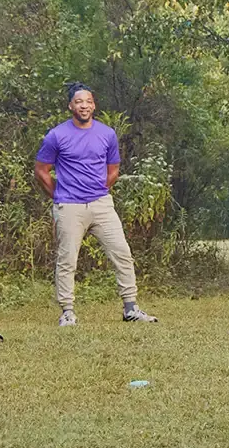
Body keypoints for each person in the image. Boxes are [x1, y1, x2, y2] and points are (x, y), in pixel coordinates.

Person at [34, 83, 158, 327]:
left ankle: (131, 308)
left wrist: (98, 191)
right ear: (71, 106)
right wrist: (58, 195)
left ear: (94, 105)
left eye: (88, 101)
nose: (84, 106)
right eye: (79, 102)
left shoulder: (107, 134)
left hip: (101, 204)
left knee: (122, 253)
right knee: (67, 259)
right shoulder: (57, 135)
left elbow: (113, 170)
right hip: (69, 206)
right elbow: (41, 170)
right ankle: (67, 312)